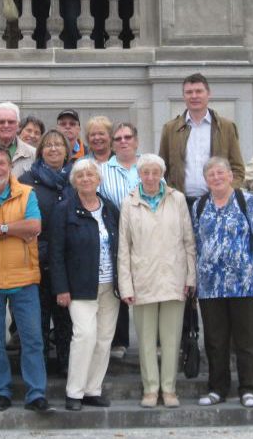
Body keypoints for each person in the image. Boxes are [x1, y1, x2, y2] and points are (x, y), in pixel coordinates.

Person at [0, 145, 54, 414]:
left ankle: (36, 392)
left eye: (1, 163)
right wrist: (15, 230)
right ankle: (0, 391)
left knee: (32, 339)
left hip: (24, 275)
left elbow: (35, 226)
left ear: (9, 166)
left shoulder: (27, 193)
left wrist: (1, 228)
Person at [192, 157, 253, 409]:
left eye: (220, 173)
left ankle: (247, 388)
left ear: (230, 175)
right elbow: (195, 242)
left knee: (246, 340)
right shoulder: (199, 205)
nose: (216, 178)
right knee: (215, 341)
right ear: (206, 180)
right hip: (210, 285)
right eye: (211, 175)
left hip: (245, 283)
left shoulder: (246, 201)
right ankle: (217, 389)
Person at [117, 154, 196, 408]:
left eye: (155, 172)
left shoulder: (177, 199)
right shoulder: (129, 203)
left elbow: (188, 241)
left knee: (172, 339)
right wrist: (126, 285)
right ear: (139, 175)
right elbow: (123, 248)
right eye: (145, 172)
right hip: (143, 278)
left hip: (174, 276)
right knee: (147, 339)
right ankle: (151, 389)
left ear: (161, 174)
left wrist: (190, 276)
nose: (150, 177)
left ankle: (169, 389)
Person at [49, 158, 120, 411]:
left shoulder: (110, 208)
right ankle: (74, 392)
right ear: (74, 182)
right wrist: (61, 287)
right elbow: (55, 252)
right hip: (79, 287)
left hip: (109, 285)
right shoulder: (64, 209)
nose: (86, 179)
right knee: (84, 336)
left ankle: (93, 389)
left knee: (103, 339)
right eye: (81, 176)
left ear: (99, 179)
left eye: (91, 175)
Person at [18, 130, 76, 376]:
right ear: (40, 150)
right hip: (36, 259)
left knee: (67, 320)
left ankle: (67, 367)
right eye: (48, 145)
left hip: (69, 261)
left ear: (67, 150)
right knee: (37, 320)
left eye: (59, 145)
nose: (54, 149)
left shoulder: (77, 178)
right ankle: (37, 370)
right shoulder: (26, 180)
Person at [158, 73, 246, 209]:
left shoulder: (226, 127)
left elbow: (238, 169)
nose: (194, 96)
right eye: (189, 92)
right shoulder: (170, 129)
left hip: (217, 203)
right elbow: (162, 169)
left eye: (199, 91)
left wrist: (226, 194)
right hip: (180, 203)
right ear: (183, 96)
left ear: (208, 94)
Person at [98, 121, 141, 360]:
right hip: (115, 234)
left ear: (136, 140)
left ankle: (153, 339)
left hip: (146, 236)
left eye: (127, 137)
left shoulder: (149, 165)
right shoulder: (102, 171)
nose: (123, 141)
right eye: (118, 139)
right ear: (112, 145)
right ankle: (119, 340)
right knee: (119, 284)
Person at [0, 102, 36, 178]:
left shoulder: (33, 154)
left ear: (18, 125)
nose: (6, 125)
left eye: (11, 122)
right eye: (1, 122)